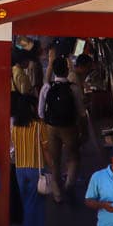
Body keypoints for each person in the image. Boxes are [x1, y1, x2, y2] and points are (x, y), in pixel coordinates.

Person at [40, 55, 85, 204]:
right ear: (67, 70)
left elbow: (41, 112)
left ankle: (57, 194)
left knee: (55, 160)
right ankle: (69, 184)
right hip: (69, 127)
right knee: (73, 157)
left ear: (53, 71)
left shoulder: (47, 88)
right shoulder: (74, 89)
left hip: (51, 127)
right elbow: (81, 111)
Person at [11, 92, 47, 226]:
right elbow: (46, 149)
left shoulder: (16, 128)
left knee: (26, 203)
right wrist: (52, 167)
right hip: (36, 168)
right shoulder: (39, 126)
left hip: (20, 169)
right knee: (36, 207)